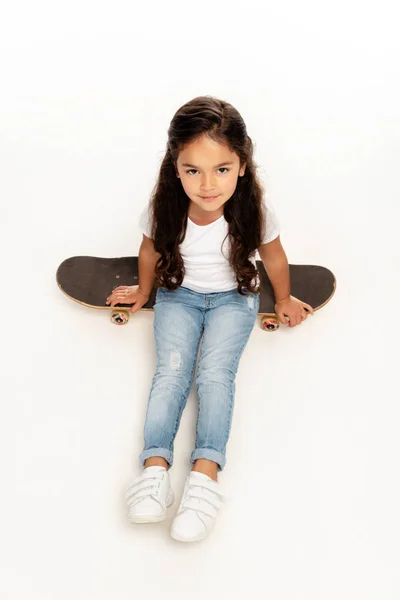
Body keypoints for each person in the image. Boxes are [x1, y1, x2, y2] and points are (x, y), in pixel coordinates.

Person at [106, 95, 314, 543]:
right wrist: (145, 291)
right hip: (178, 296)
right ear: (174, 167)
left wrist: (283, 298)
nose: (206, 185)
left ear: (241, 164)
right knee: (171, 374)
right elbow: (151, 250)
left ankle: (204, 477)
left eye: (221, 169)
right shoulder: (164, 208)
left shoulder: (254, 211)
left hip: (233, 299)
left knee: (215, 375)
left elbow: (274, 259)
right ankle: (155, 470)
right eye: (192, 170)